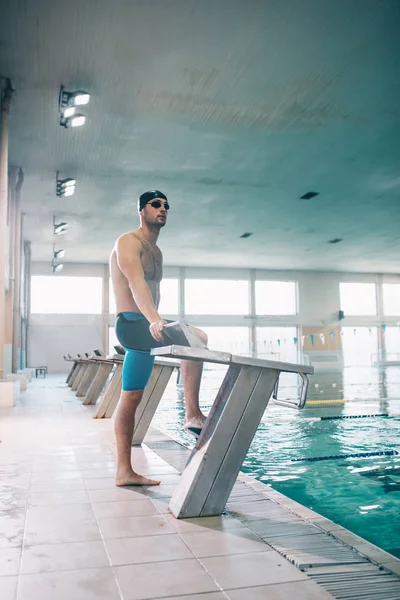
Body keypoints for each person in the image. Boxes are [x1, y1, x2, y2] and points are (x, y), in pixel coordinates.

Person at [109, 190, 207, 486]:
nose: (162, 209)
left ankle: (124, 472)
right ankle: (192, 415)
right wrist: (155, 319)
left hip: (147, 324)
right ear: (141, 210)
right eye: (155, 204)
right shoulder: (127, 242)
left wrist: (157, 319)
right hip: (132, 323)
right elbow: (137, 283)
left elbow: (153, 291)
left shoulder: (157, 252)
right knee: (196, 338)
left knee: (132, 396)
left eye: (166, 205)